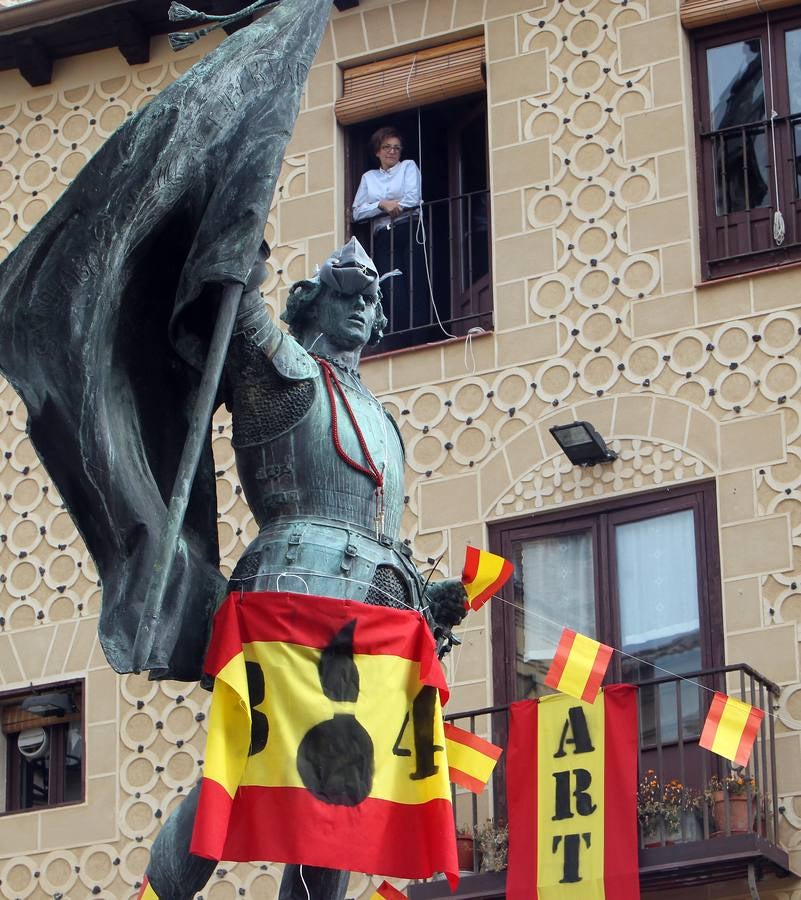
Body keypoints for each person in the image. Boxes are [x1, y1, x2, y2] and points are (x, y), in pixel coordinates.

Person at [143, 237, 467, 900]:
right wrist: (239, 238)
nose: (358, 303)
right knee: (240, 767)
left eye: (369, 296)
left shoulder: (379, 416)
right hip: (288, 596)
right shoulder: (284, 371)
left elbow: (375, 529)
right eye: (344, 289)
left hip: (375, 617)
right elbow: (236, 306)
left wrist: (428, 602)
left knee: (339, 788)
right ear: (314, 300)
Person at [352, 126, 429, 334]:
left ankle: (419, 334)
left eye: (396, 148)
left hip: (410, 228)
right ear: (377, 151)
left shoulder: (408, 166)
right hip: (384, 236)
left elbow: (414, 197)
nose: (392, 152)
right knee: (391, 285)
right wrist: (381, 204)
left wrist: (399, 207)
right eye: (386, 147)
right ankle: (399, 334)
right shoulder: (369, 178)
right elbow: (357, 213)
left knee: (416, 282)